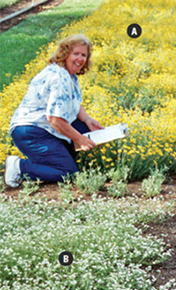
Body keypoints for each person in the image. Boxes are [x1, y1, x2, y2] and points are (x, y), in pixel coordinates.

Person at [4, 34, 104, 188]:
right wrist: (79, 139)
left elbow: (72, 103)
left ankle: (51, 160)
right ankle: (19, 167)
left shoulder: (68, 75)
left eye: (84, 55)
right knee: (67, 172)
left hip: (41, 128)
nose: (80, 58)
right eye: (75, 53)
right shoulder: (60, 78)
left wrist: (88, 120)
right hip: (31, 131)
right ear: (65, 54)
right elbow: (55, 119)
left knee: (84, 129)